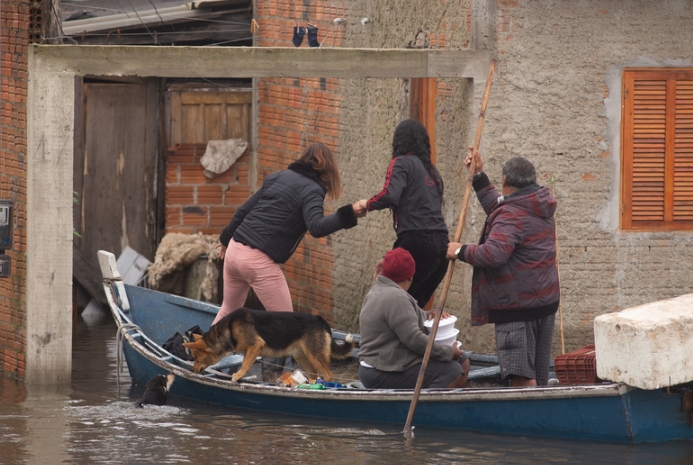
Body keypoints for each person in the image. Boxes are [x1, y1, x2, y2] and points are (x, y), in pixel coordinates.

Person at [213, 142, 364, 326]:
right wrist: (351, 212)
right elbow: (316, 227)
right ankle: (276, 356)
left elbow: (244, 210)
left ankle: (204, 353)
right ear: (328, 168)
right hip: (257, 260)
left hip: (234, 250)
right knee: (287, 325)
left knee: (228, 310)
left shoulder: (278, 176)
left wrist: (224, 240)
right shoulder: (313, 190)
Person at [446, 147, 560, 387]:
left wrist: (459, 250)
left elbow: (493, 254)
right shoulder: (536, 204)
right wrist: (478, 175)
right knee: (538, 377)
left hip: (518, 307)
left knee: (522, 378)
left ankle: (526, 421)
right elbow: (500, 209)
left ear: (506, 179)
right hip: (543, 304)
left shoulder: (512, 214)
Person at [356, 119, 449, 309]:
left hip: (417, 242)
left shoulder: (400, 162)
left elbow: (390, 195)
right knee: (413, 306)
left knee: (389, 303)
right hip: (442, 248)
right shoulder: (433, 172)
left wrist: (366, 204)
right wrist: (388, 255)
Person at [358, 248, 470, 389]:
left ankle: (446, 406)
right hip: (379, 370)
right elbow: (414, 339)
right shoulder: (396, 297)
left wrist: (429, 314)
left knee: (463, 361)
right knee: (452, 370)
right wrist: (447, 352)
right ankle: (426, 409)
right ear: (410, 276)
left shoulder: (381, 289)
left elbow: (406, 318)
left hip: (390, 361)